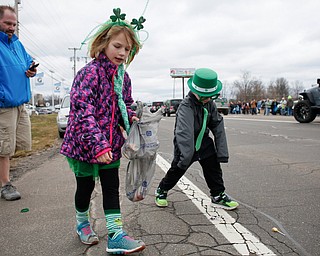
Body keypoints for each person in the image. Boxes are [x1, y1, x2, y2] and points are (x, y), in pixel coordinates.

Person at [60, 8, 146, 254]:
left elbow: (123, 104)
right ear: (103, 44)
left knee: (110, 186)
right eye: (118, 46)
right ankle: (82, 224)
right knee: (85, 188)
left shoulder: (123, 77)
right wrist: (98, 146)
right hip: (83, 144)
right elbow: (82, 111)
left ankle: (116, 234)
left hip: (110, 142)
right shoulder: (88, 74)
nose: (122, 53)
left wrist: (130, 115)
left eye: (127, 49)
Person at [155, 68, 239, 211]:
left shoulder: (209, 104)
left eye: (211, 96)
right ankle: (162, 190)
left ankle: (217, 195)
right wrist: (185, 156)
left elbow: (217, 124)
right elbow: (184, 133)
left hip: (204, 141)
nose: (208, 99)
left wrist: (222, 152)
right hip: (186, 144)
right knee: (178, 168)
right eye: (205, 96)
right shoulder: (185, 106)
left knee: (213, 168)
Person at [0, 5, 37, 201]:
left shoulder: (16, 44)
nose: (11, 27)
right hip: (3, 104)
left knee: (13, 146)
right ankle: (5, 184)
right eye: (7, 23)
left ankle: (4, 178)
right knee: (3, 147)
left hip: (19, 103)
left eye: (14, 24)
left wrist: (31, 69)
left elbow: (28, 62)